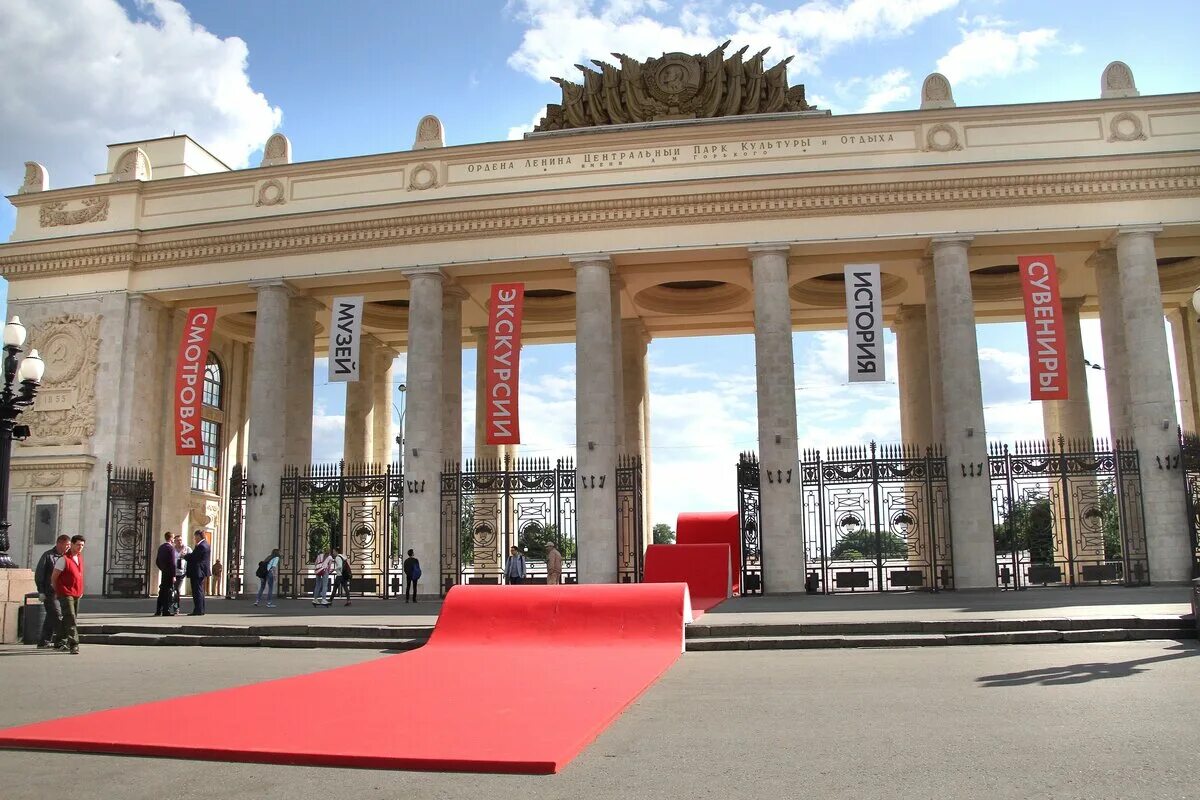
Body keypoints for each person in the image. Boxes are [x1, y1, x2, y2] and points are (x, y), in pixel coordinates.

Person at [51, 534, 86, 655]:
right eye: (78, 545)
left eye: (82, 545)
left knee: (69, 617)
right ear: (71, 544)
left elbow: (79, 576)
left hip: (77, 592)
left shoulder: (79, 558)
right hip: (65, 592)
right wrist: (57, 591)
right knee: (70, 617)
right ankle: (74, 644)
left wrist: (81, 590)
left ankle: (59, 640)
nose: (80, 547)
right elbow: (54, 577)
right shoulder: (63, 559)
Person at [33, 534, 70, 648]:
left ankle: (44, 641)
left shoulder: (67, 557)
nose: (68, 547)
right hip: (50, 592)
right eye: (66, 544)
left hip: (63, 592)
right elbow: (40, 574)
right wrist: (41, 591)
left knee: (51, 616)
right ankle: (60, 641)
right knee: (57, 615)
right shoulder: (48, 556)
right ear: (59, 543)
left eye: (69, 545)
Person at [183, 529, 211, 616]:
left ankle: (198, 610)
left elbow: (194, 557)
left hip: (198, 571)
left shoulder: (201, 546)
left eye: (195, 536)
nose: (194, 538)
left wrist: (184, 556)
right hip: (200, 571)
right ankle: (200, 609)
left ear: (199, 536)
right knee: (200, 590)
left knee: (197, 591)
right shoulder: (205, 544)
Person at [154, 531, 176, 616]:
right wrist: (173, 575)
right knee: (167, 592)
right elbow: (173, 563)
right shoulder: (170, 548)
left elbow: (157, 561)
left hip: (164, 571)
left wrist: (162, 568)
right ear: (170, 538)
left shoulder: (161, 547)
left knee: (162, 591)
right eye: (173, 538)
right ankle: (166, 610)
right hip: (169, 573)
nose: (174, 539)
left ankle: (158, 610)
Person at [172, 533, 190, 612]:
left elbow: (192, 559)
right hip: (172, 572)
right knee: (172, 590)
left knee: (177, 589)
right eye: (177, 540)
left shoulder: (187, 549)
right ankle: (170, 604)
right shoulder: (172, 549)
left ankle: (176, 607)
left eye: (180, 540)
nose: (179, 542)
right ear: (174, 541)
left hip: (181, 573)